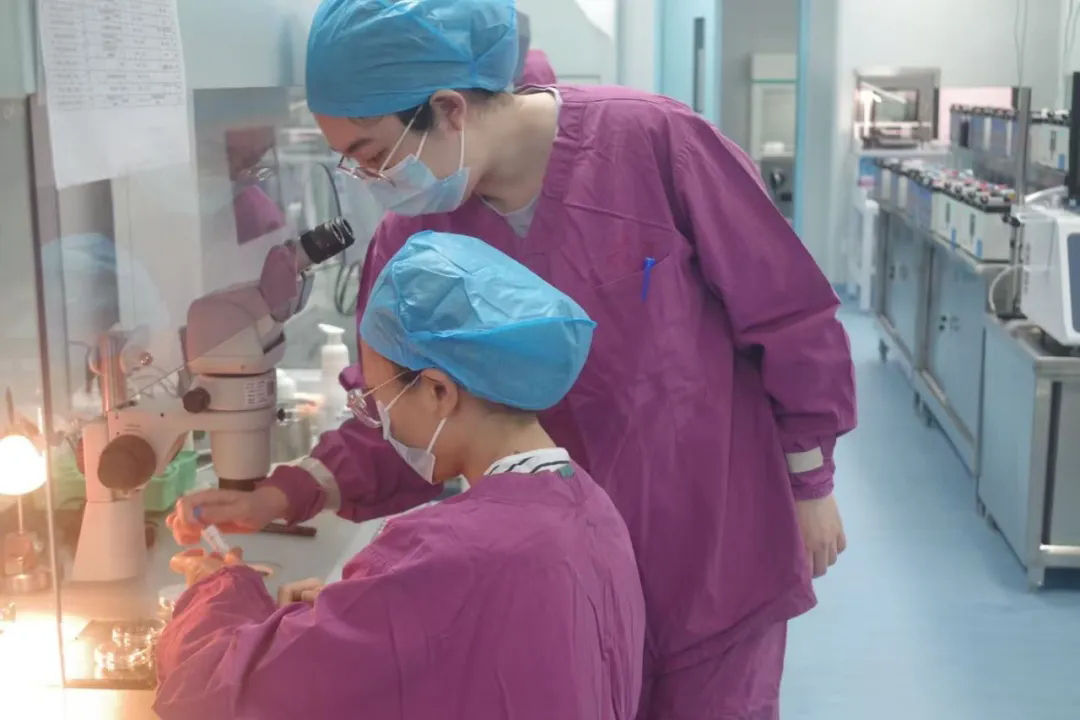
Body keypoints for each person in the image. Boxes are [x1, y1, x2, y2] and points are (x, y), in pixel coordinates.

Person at [173, 1, 857, 717]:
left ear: (447, 108)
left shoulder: (655, 144)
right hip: (562, 576)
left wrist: (810, 481)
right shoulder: (414, 230)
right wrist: (287, 492)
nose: (371, 180)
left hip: (708, 544)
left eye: (373, 155)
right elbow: (405, 405)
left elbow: (789, 315)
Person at [158, 230, 646, 720]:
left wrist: (217, 588)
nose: (379, 419)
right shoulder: (592, 512)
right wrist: (359, 612)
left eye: (377, 397)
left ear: (438, 391)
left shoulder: (444, 555)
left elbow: (210, 696)